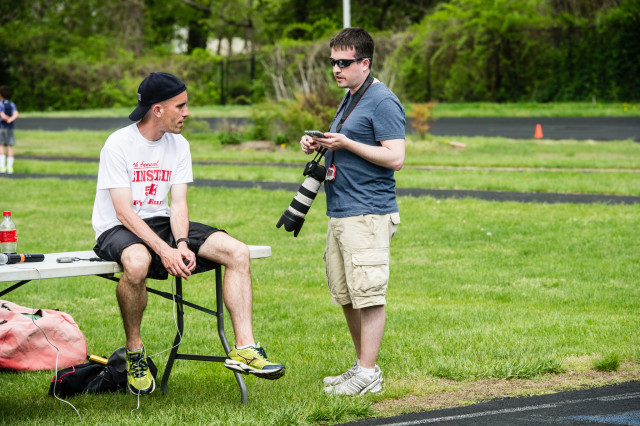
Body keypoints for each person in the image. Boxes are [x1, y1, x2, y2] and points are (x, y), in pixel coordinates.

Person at [92, 72, 285, 395]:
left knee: (237, 251)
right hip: (118, 226)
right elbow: (123, 211)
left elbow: (178, 203)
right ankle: (135, 352)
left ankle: (244, 348)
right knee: (137, 262)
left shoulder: (179, 145)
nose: (187, 113)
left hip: (163, 222)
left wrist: (180, 243)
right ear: (157, 110)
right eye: (180, 106)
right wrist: (164, 252)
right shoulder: (118, 144)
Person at [300, 27, 405, 396]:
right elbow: (346, 142)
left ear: (365, 62)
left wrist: (347, 143)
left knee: (370, 294)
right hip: (341, 210)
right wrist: (319, 142)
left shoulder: (383, 100)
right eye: (332, 62)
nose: (336, 70)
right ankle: (362, 364)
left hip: (368, 212)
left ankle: (369, 372)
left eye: (344, 63)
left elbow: (396, 157)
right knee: (346, 294)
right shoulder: (351, 97)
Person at [0, 85, 19, 174]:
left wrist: (6, 119)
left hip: (1, 127)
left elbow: (2, 115)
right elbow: (16, 114)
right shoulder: (12, 104)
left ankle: (2, 167)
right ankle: (10, 168)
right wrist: (11, 119)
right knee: (10, 147)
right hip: (10, 128)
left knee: (1, 146)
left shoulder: (0, 104)